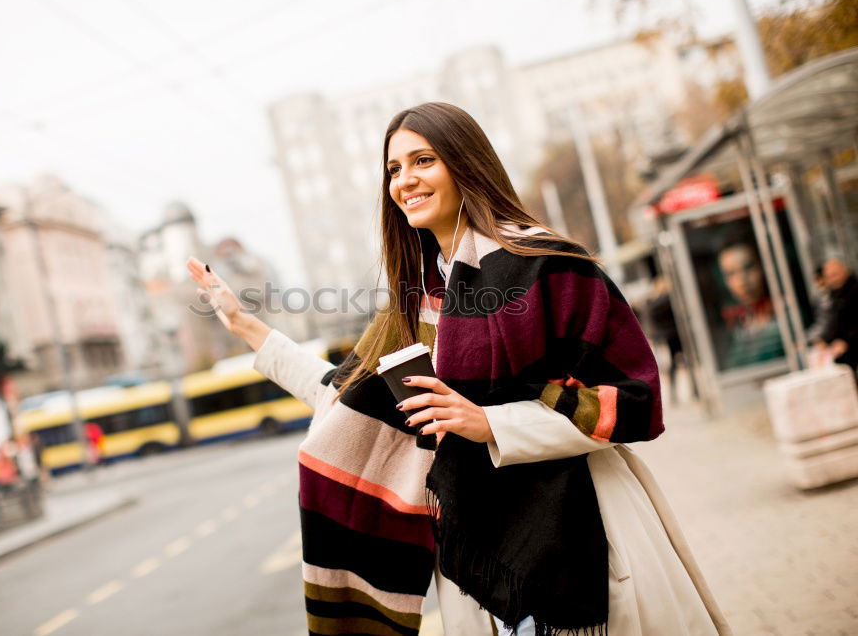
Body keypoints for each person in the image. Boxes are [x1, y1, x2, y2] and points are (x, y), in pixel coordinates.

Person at [187, 103, 729, 635]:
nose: (405, 181)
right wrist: (247, 326)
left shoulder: (549, 265)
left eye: (423, 161)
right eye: (394, 169)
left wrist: (491, 423)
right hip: (477, 570)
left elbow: (632, 401)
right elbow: (348, 399)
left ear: (464, 163)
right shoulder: (414, 303)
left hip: (582, 545)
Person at [716, 231, 784, 369]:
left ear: (763, 266)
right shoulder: (736, 325)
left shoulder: (785, 312)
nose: (742, 281)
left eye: (748, 267)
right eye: (731, 274)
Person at [816, 257, 858, 372]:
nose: (833, 280)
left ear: (846, 271)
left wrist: (846, 341)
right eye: (829, 277)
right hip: (841, 351)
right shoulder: (833, 296)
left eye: (835, 275)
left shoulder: (853, 292)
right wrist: (824, 340)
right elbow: (833, 323)